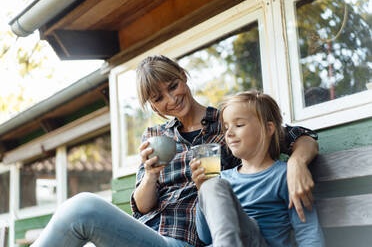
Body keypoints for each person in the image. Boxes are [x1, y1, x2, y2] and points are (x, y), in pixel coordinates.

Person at [31, 55, 318, 247]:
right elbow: (142, 206)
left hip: (184, 239)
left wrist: (296, 163)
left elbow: (300, 137)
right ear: (152, 106)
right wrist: (151, 176)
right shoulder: (155, 136)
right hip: (143, 233)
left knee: (82, 208)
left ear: (183, 76)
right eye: (159, 98)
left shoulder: (229, 123)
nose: (171, 99)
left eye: (173, 85)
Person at [191, 91, 324, 247]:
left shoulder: (286, 175)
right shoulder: (222, 177)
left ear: (268, 129)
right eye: (226, 128)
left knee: (215, 185)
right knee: (213, 184)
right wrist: (202, 191)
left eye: (239, 125)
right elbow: (205, 237)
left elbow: (308, 233)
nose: (229, 133)